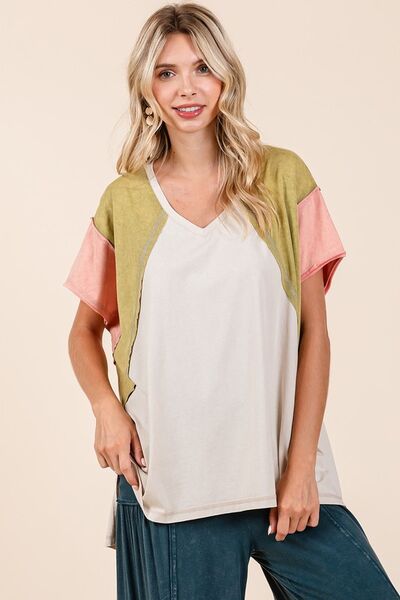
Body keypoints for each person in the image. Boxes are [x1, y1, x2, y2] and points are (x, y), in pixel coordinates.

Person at [63, 3, 400, 599]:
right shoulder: (125, 202)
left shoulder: (283, 178)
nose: (187, 88)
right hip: (174, 486)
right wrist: (105, 408)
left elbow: (314, 333)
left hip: (285, 481)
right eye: (167, 72)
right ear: (146, 87)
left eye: (202, 68)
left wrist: (301, 466)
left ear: (226, 77)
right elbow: (83, 331)